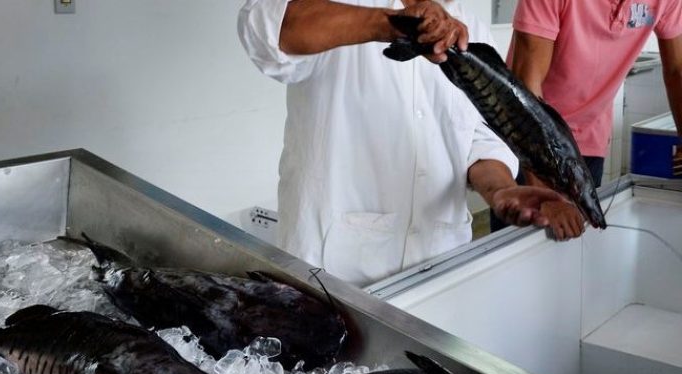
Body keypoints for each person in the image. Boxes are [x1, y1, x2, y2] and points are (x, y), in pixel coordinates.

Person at [238, 0, 564, 286]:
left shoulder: (472, 29)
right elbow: (266, 28)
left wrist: (501, 190)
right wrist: (393, 23)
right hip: (332, 273)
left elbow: (481, 139)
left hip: (439, 266)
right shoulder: (341, 5)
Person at [491, 0, 682, 240]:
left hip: (587, 142)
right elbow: (525, 90)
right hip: (525, 147)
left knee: (576, 252)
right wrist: (542, 194)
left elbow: (677, 70)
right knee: (513, 257)